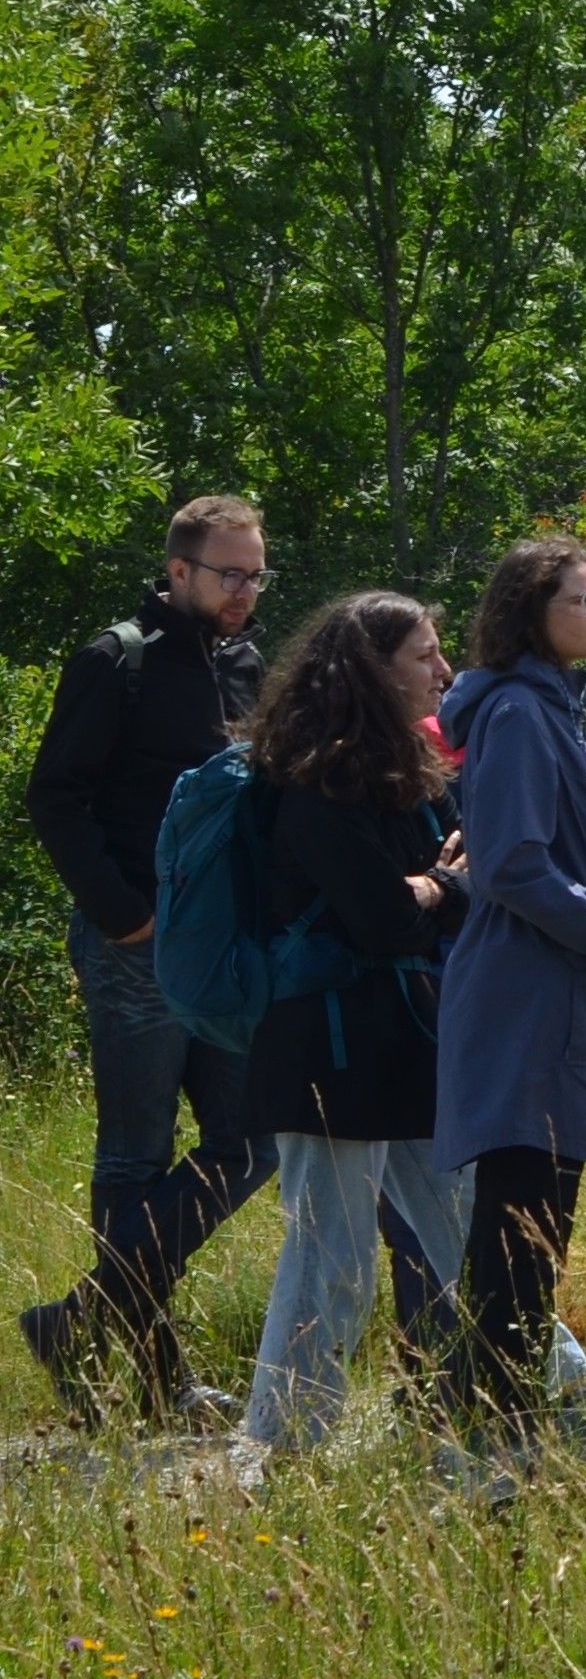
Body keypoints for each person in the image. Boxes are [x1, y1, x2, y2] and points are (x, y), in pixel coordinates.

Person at [19, 494, 276, 1420]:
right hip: (138, 944)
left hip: (224, 949)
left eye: (255, 574)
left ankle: (81, 1318)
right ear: (179, 572)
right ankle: (160, 1386)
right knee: (135, 1156)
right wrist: (127, 916)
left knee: (254, 1141)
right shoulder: (117, 659)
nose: (245, 590)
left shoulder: (245, 663)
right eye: (229, 574)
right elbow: (54, 799)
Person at [227, 594, 474, 1453]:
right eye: (425, 657)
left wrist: (435, 888)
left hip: (402, 1042)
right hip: (325, 1055)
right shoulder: (319, 789)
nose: (443, 673)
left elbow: (431, 895)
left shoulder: (404, 778)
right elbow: (386, 920)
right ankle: (281, 1450)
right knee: (333, 1265)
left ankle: (546, 1389)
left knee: (471, 1233)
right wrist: (441, 886)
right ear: (373, 670)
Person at [434, 540, 586, 1436]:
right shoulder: (523, 715)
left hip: (557, 992)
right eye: (581, 599)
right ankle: (489, 1413)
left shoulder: (556, 709)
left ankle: (494, 1402)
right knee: (519, 1218)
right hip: (532, 997)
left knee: (535, 1217)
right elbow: (513, 863)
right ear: (533, 612)